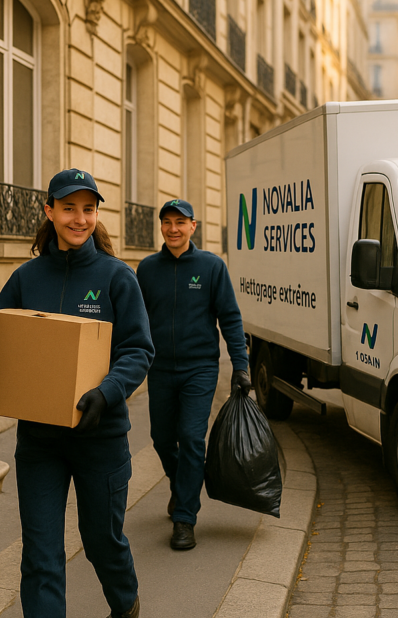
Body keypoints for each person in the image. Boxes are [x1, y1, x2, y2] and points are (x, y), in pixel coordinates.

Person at [0, 169, 152, 618]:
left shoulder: (116, 278)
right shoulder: (25, 279)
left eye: (88, 209)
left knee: (102, 543)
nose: (79, 218)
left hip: (101, 438)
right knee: (41, 553)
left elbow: (138, 350)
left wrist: (106, 392)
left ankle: (125, 604)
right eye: (69, 208)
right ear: (49, 211)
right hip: (40, 441)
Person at [136, 198, 251, 550]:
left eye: (180, 222)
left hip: (199, 368)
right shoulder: (147, 269)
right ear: (161, 227)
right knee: (160, 437)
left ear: (193, 227)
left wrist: (241, 365)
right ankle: (182, 483)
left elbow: (230, 318)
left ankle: (185, 518)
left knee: (190, 437)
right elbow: (135, 319)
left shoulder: (212, 267)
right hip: (159, 368)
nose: (173, 228)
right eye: (167, 222)